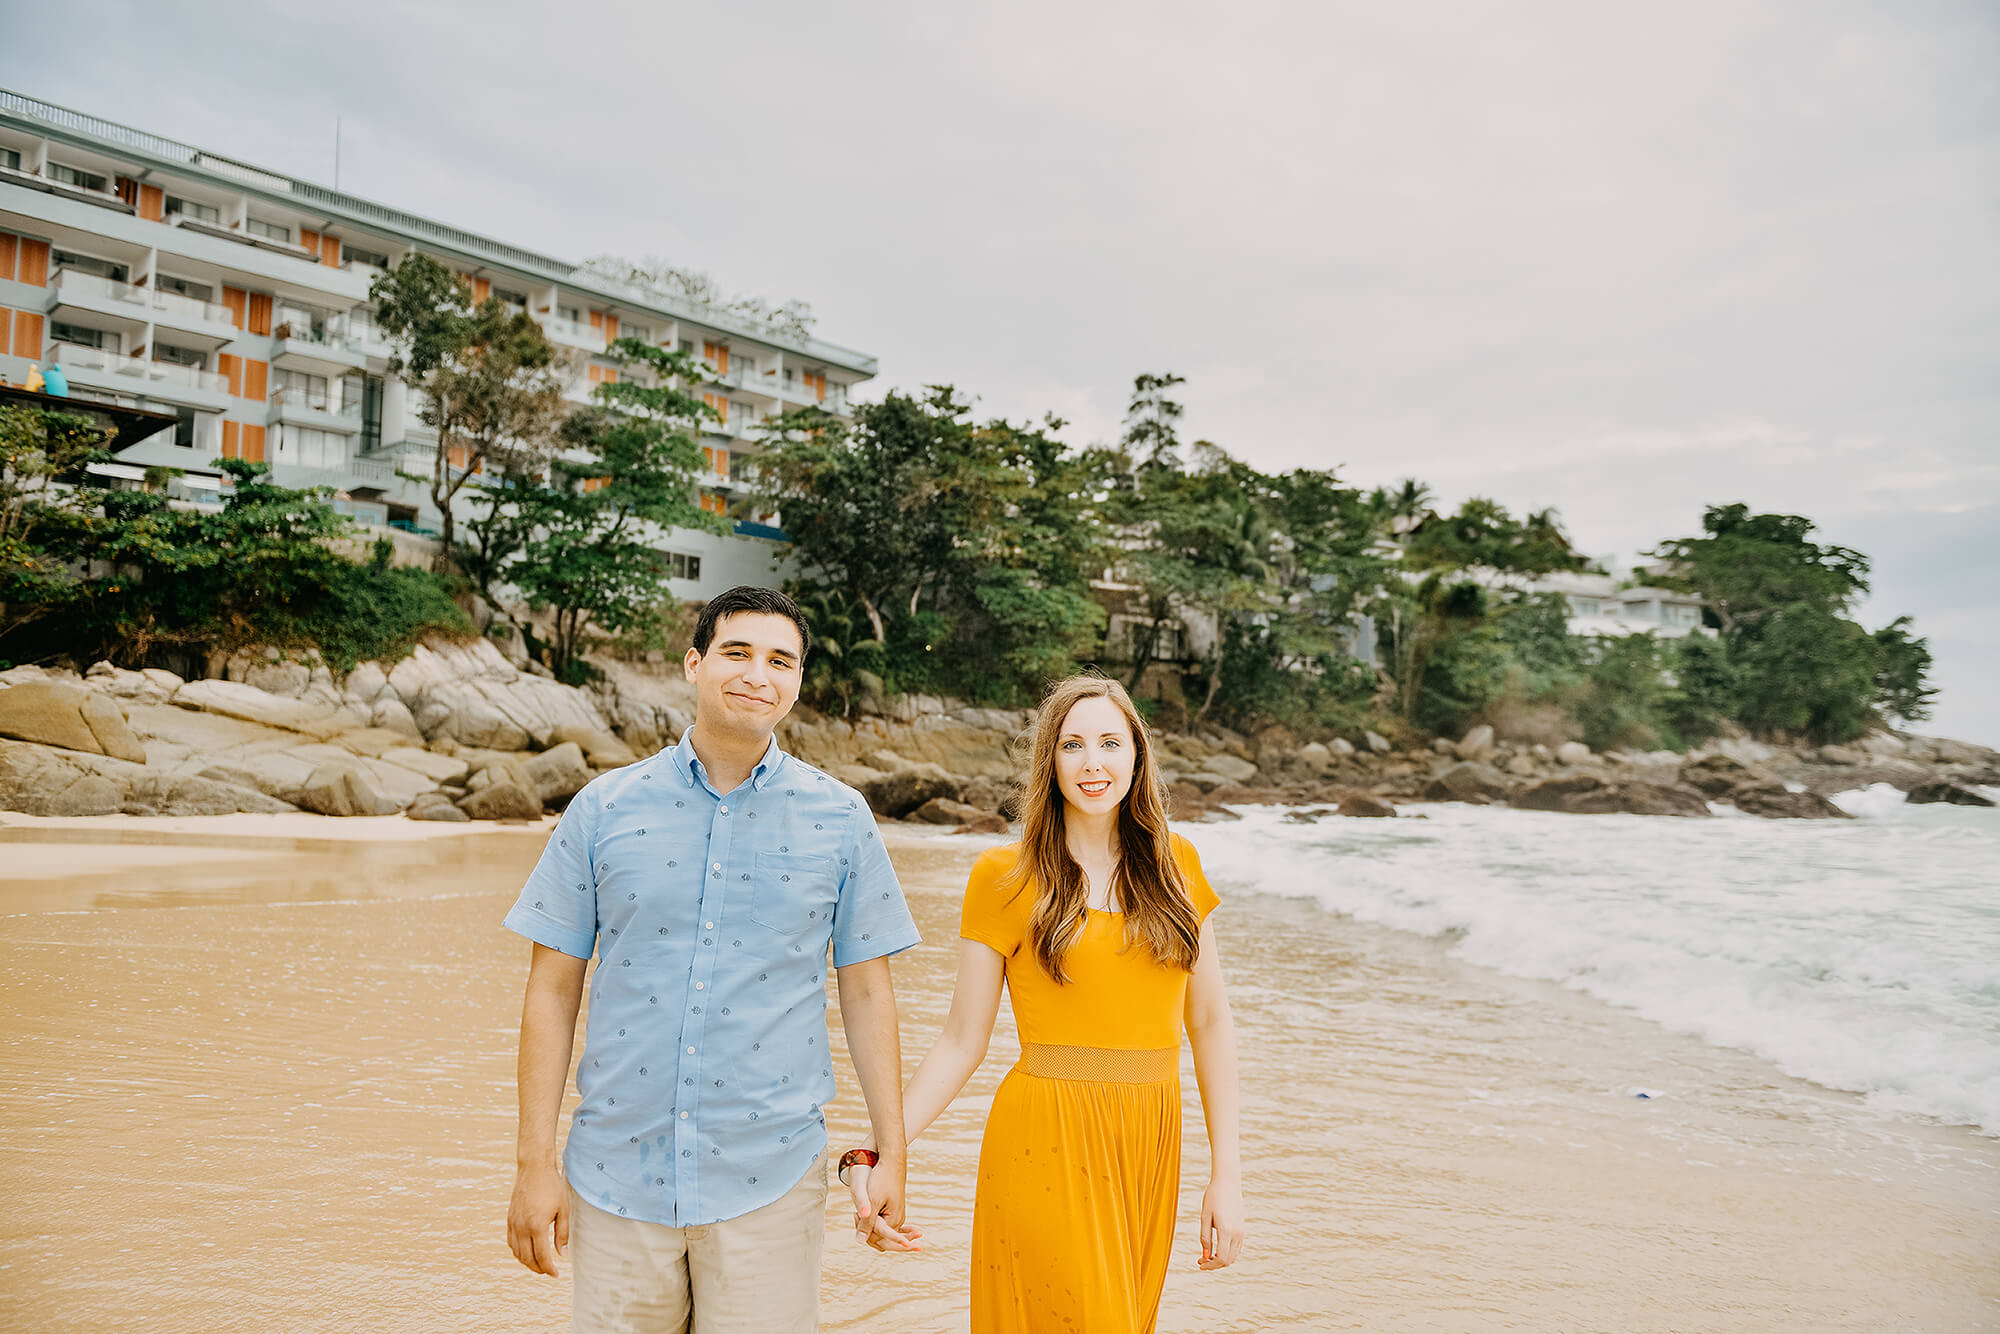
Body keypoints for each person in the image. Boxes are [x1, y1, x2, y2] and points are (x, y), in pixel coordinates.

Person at [503, 585, 921, 1333]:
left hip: (770, 1175)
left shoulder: (842, 819)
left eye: (779, 660)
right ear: (694, 664)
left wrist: (894, 1151)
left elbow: (866, 992)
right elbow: (552, 990)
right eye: (736, 653)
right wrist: (533, 1165)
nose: (757, 674)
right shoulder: (602, 808)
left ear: (797, 683)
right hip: (614, 1172)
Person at [844, 674, 1246, 1332]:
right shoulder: (1004, 876)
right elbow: (960, 1042)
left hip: (1149, 1146)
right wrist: (880, 1150)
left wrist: (1225, 1176)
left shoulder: (1177, 864)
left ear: (1137, 757)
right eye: (1073, 745)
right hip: (1045, 1142)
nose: (1094, 763)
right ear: (1049, 762)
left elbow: (1208, 1022)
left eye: (1111, 743)